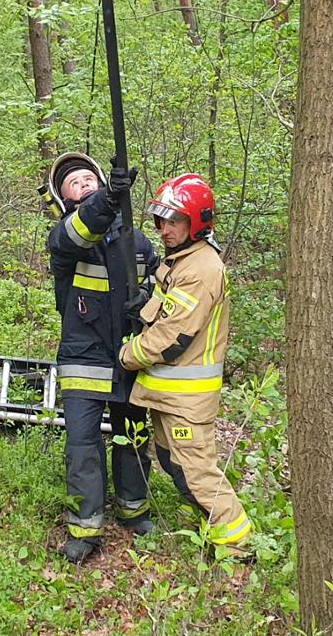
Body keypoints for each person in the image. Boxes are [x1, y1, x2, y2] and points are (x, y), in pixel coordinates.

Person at [121, 173, 251, 559]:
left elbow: (173, 337)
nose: (164, 229)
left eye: (173, 220)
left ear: (196, 222)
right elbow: (163, 308)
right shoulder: (182, 260)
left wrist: (127, 355)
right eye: (161, 220)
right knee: (173, 462)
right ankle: (203, 527)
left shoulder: (201, 269)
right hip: (168, 394)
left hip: (186, 401)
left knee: (197, 472)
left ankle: (238, 547)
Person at [43, 152, 156, 563]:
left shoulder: (138, 241)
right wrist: (108, 197)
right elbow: (82, 230)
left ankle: (135, 510)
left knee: (133, 438)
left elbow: (161, 287)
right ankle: (84, 529)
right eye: (76, 183)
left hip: (127, 358)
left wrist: (145, 300)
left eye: (90, 178)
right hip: (83, 360)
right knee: (83, 447)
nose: (85, 184)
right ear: (63, 197)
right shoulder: (64, 238)